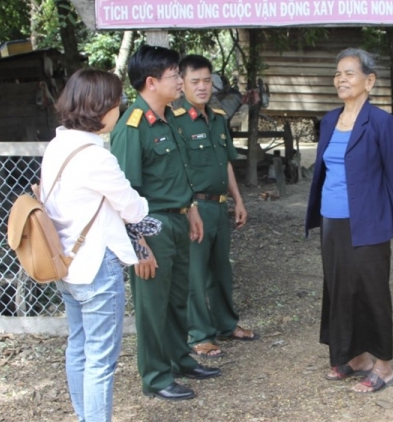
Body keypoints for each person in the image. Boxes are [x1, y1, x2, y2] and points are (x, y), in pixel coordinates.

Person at [40, 68, 161, 422]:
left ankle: (84, 417)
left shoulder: (58, 145)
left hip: (67, 261)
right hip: (96, 265)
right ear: (100, 107)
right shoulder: (96, 157)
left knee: (78, 347)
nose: (119, 109)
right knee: (100, 361)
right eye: (116, 102)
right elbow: (134, 207)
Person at [110, 45, 221, 401]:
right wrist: (139, 245)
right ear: (151, 81)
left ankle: (179, 359)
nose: (179, 80)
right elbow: (125, 192)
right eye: (174, 74)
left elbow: (177, 173)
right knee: (152, 305)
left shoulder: (171, 117)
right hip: (151, 227)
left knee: (177, 299)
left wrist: (190, 210)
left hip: (178, 221)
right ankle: (156, 377)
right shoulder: (133, 126)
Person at [304, 48, 393, 393]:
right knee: (339, 289)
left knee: (371, 291)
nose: (341, 80)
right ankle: (357, 357)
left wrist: (376, 212)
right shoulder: (331, 120)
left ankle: (384, 365)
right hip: (332, 219)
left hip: (368, 221)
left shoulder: (381, 122)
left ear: (369, 81)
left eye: (349, 73)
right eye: (338, 74)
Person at [172, 54, 257, 359]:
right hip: (193, 208)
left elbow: (226, 164)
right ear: (181, 84)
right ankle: (200, 335)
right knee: (196, 274)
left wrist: (238, 200)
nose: (203, 87)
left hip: (219, 207)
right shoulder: (174, 119)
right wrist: (187, 206)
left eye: (207, 80)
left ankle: (226, 324)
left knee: (221, 271)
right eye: (195, 81)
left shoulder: (218, 117)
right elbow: (176, 169)